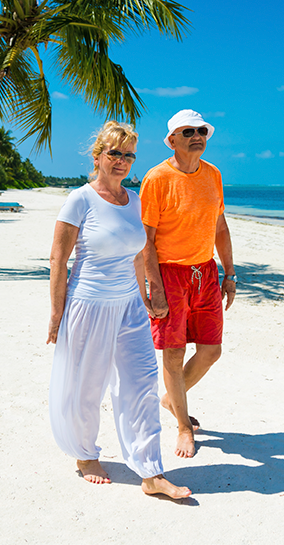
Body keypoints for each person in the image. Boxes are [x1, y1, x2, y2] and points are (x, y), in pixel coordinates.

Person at [47, 121, 191, 499]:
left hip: (129, 306)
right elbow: (59, 259)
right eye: (115, 153)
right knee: (86, 385)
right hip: (89, 305)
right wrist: (56, 314)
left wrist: (147, 294)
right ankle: (84, 454)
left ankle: (150, 472)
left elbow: (139, 253)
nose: (122, 161)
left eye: (128, 155)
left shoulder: (136, 201)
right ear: (98, 157)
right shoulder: (80, 199)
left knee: (142, 384)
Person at [140, 109, 236, 459]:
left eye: (201, 130)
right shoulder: (157, 178)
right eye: (188, 131)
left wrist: (230, 273)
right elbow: (145, 240)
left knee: (211, 350)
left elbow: (220, 227)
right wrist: (156, 286)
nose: (197, 136)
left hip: (206, 273)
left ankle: (171, 398)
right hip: (169, 274)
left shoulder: (213, 175)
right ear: (172, 140)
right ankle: (183, 426)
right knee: (174, 352)